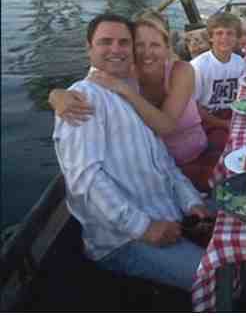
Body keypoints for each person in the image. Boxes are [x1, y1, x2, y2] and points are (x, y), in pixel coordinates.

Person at [52, 13, 210, 291]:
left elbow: (163, 162)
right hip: (124, 241)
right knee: (218, 279)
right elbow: (86, 180)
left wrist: (191, 202)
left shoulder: (129, 91)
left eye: (124, 42)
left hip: (170, 213)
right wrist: (144, 228)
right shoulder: (81, 100)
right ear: (89, 48)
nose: (116, 49)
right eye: (105, 42)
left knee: (244, 229)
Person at [48, 10, 218, 192]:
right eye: (139, 45)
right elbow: (91, 80)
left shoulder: (181, 71)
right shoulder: (122, 72)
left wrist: (124, 90)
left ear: (166, 47)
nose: (147, 53)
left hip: (194, 156)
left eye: (155, 45)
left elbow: (166, 126)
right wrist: (56, 95)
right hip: (152, 169)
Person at [190, 12, 246, 149]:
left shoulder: (240, 62)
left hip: (233, 112)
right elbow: (193, 106)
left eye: (230, 33)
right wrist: (223, 123)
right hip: (208, 117)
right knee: (220, 143)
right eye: (219, 33)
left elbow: (243, 96)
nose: (225, 38)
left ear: (237, 38)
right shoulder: (198, 66)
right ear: (210, 37)